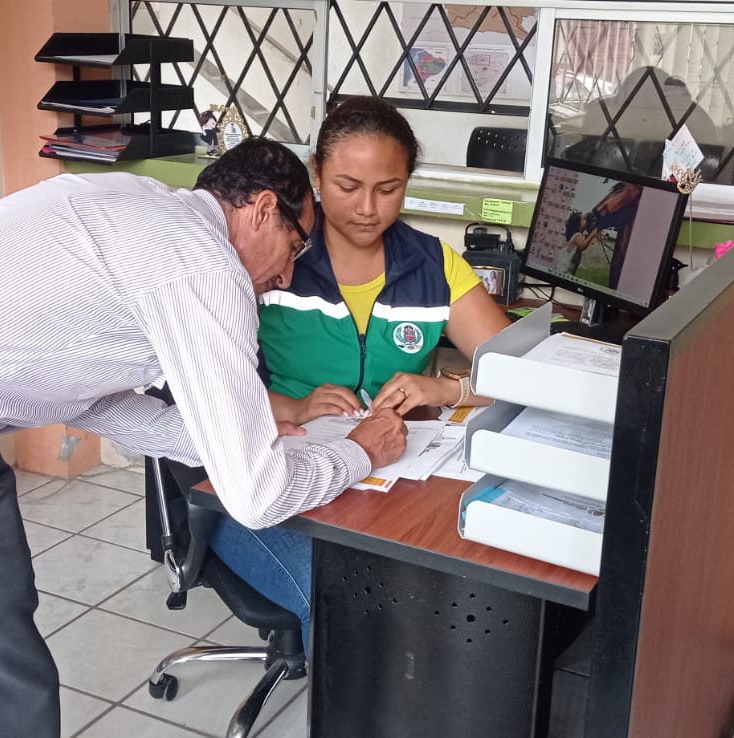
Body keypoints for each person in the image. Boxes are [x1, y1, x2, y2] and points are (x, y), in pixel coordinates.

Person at [0, 138, 408, 738]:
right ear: (264, 209)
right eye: (295, 247)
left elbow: (95, 403)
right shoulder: (204, 264)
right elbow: (258, 498)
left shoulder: (139, 204)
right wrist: (361, 450)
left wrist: (230, 443)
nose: (289, 276)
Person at [208, 96, 511, 644]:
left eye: (388, 189)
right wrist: (294, 406)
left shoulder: (432, 266)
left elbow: (518, 374)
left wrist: (445, 388)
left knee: (457, 578)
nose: (368, 208)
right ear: (316, 175)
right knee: (342, 595)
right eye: (347, 186)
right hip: (268, 481)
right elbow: (208, 391)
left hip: (387, 482)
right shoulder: (271, 258)